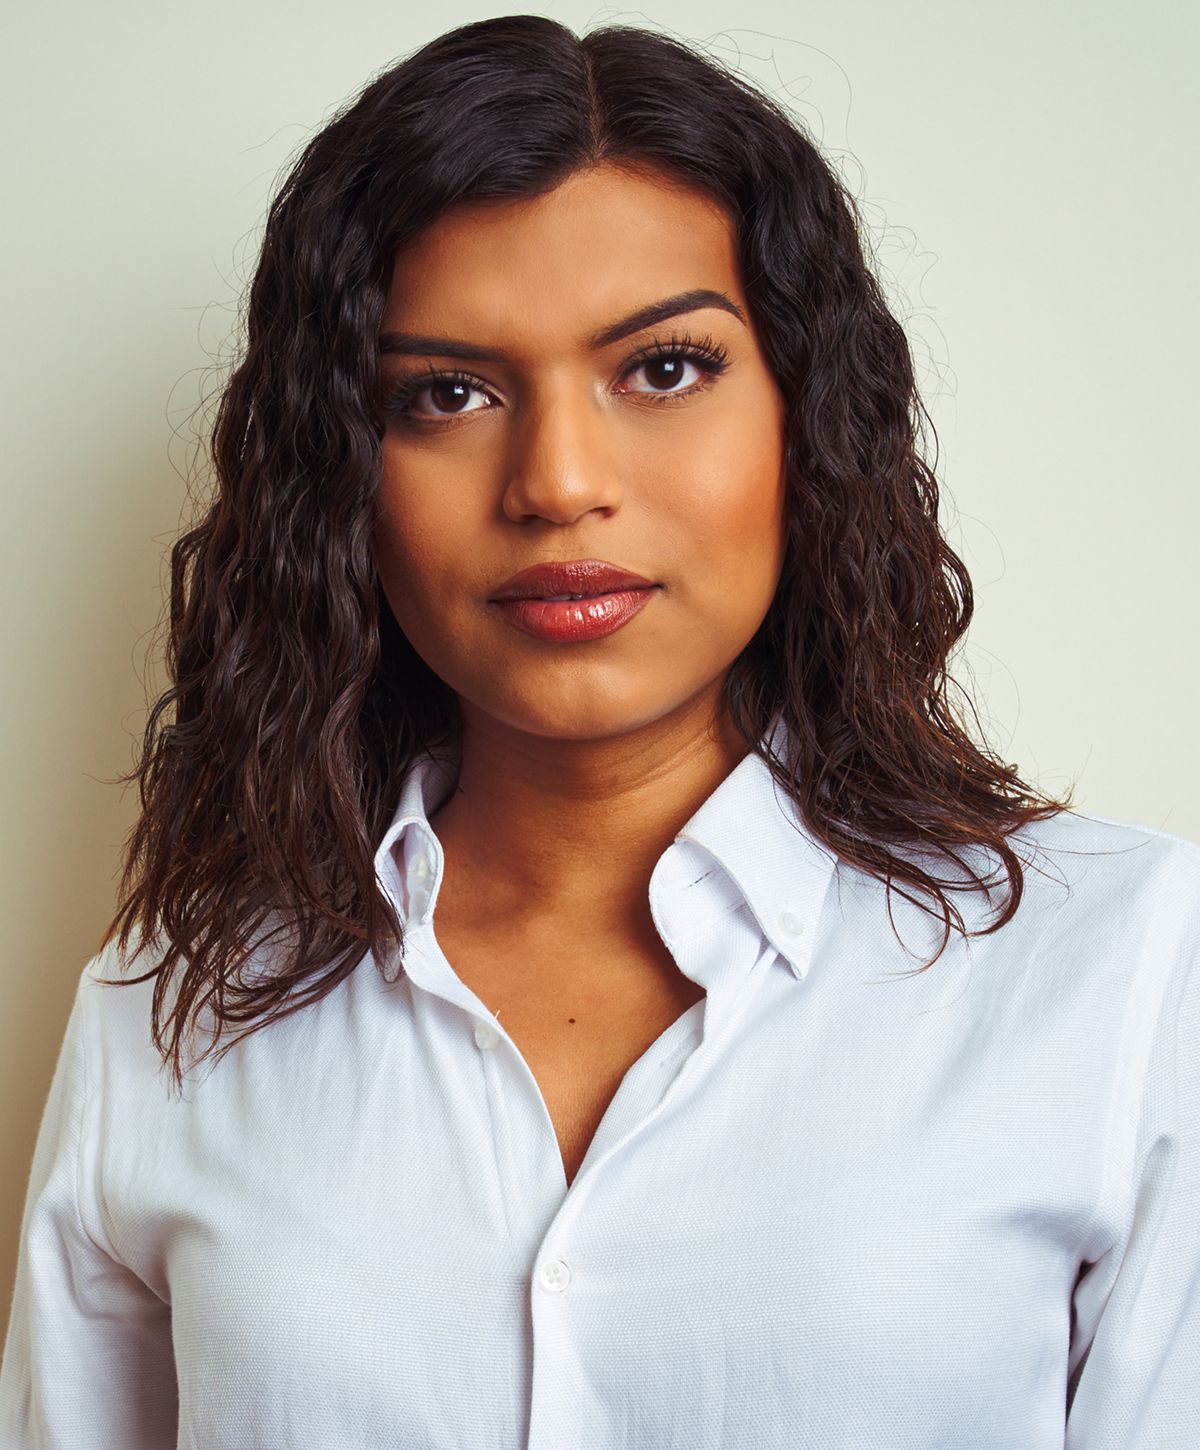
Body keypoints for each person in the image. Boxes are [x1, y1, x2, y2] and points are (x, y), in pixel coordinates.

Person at [2, 13, 1196, 1448]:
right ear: (343, 476)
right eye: (445, 393)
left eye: (664, 368)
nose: (559, 482)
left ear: (806, 416)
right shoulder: (170, 1005)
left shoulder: (1124, 972)